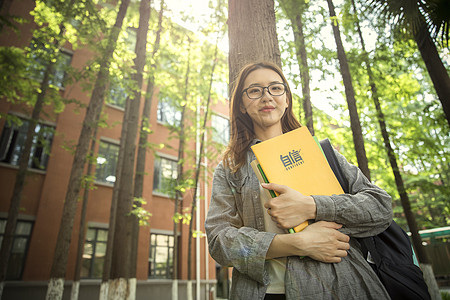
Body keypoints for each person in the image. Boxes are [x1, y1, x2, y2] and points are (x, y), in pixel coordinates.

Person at [205, 62, 394, 300]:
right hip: (262, 293)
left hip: (343, 286)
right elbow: (218, 240)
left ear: (286, 99)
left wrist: (311, 205)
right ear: (242, 105)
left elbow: (381, 207)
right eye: (254, 90)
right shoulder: (231, 168)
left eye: (275, 88)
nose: (266, 97)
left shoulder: (322, 152)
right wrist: (297, 243)